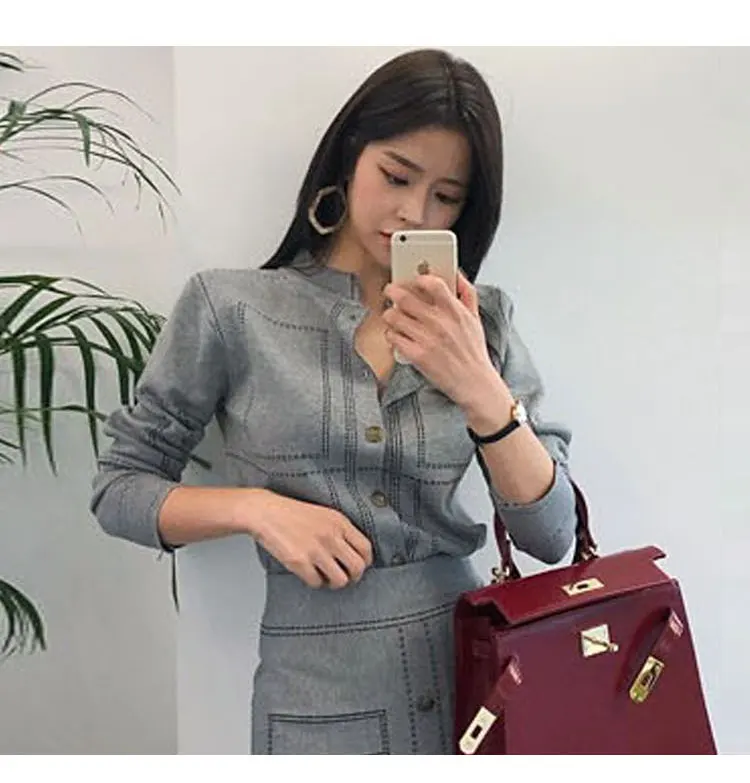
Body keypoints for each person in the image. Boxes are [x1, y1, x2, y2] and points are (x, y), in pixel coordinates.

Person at [90, 48, 580, 755]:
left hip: (477, 690)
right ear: (349, 156)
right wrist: (257, 509)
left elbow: (552, 534)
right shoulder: (231, 308)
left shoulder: (484, 321)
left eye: (446, 196)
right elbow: (118, 489)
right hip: (315, 707)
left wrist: (479, 385)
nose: (414, 211)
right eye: (397, 176)